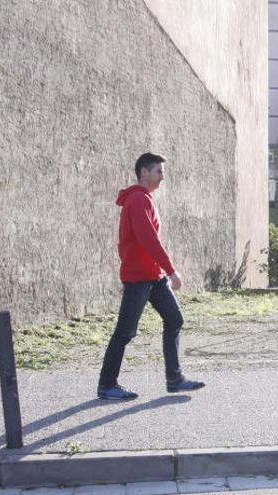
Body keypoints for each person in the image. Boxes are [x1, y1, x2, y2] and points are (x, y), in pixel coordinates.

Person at [97, 152, 204, 400]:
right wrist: (171, 270)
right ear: (144, 172)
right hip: (139, 279)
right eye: (159, 171)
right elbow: (148, 240)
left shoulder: (145, 199)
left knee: (174, 319)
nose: (162, 176)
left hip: (152, 277)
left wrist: (160, 272)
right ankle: (107, 385)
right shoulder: (137, 200)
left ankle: (175, 379)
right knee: (125, 332)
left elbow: (131, 243)